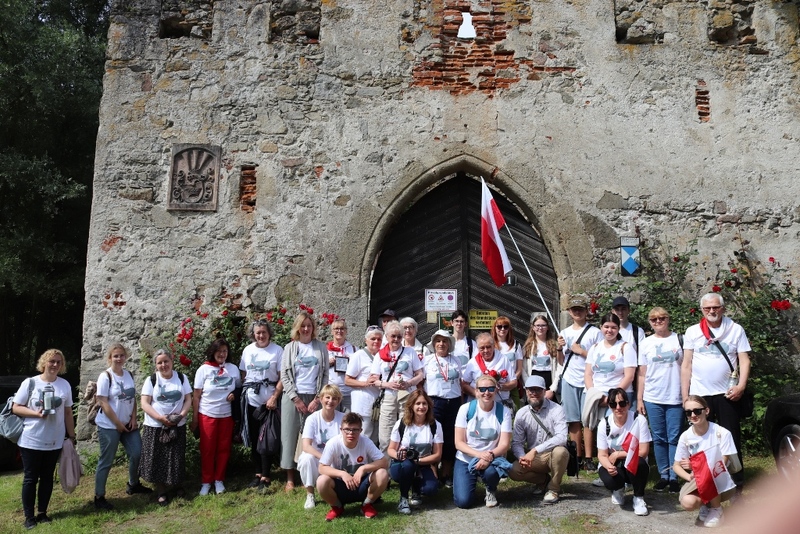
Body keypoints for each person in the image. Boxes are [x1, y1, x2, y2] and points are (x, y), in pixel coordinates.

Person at [681, 292, 750, 490]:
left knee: (731, 436)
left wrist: (741, 387)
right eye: (707, 308)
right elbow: (686, 364)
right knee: (701, 438)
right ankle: (703, 479)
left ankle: (736, 482)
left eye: (716, 307)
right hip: (700, 394)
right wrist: (686, 396)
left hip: (727, 393)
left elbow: (744, 360)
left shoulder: (735, 329)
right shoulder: (693, 331)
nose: (712, 311)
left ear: (723, 308)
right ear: (702, 310)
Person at [12, 349, 75, 530]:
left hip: (54, 440)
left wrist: (71, 436)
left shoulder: (64, 385)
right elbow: (16, 407)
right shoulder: (30, 383)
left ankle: (42, 513)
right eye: (51, 361)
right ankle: (29, 517)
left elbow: (68, 412)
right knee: (31, 478)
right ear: (44, 363)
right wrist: (35, 414)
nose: (55, 365)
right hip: (31, 439)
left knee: (47, 478)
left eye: (58, 362)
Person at [93, 344, 151, 511]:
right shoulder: (105, 376)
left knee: (137, 453)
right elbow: (102, 401)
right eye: (115, 356)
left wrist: (133, 417)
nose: (118, 359)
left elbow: (132, 398)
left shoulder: (128, 375)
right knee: (106, 460)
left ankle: (133, 484)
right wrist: (117, 424)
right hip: (109, 425)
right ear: (109, 358)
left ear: (126, 357)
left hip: (128, 424)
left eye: (121, 355)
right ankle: (99, 496)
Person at [280, 311, 330, 491]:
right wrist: (295, 398)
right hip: (293, 397)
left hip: (314, 397)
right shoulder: (290, 348)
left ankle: (309, 475)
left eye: (309, 325)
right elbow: (284, 374)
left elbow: (325, 374)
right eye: (303, 326)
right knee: (290, 435)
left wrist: (318, 399)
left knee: (312, 437)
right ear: (298, 328)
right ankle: (290, 478)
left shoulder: (320, 347)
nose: (306, 329)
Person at [637, 307, 683, 493]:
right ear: (649, 322)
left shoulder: (680, 339)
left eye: (661, 318)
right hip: (653, 396)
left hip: (675, 395)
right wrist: (640, 399)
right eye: (654, 319)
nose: (658, 322)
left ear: (668, 319)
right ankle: (664, 475)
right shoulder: (646, 343)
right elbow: (642, 373)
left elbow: (688, 367)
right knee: (658, 438)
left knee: (674, 438)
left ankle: (674, 476)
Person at [673, 395, 738, 528]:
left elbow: (722, 463)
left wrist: (697, 467)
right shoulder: (685, 436)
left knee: (708, 476)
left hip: (720, 479)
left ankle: (716, 509)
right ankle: (707, 505)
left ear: (706, 411)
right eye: (688, 412)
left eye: (697, 411)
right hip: (698, 479)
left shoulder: (722, 433)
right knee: (687, 502)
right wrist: (689, 475)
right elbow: (676, 465)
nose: (693, 415)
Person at [139, 349, 193, 506]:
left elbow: (188, 399)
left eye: (166, 361)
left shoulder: (181, 378)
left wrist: (181, 416)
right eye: (160, 362)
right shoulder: (151, 380)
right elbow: (144, 403)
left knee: (175, 456)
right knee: (157, 458)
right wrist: (160, 418)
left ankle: (177, 485)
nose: (163, 365)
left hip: (177, 425)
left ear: (172, 361)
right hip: (155, 426)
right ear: (156, 365)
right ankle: (161, 490)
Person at [453, 374, 513, 509]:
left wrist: (489, 456)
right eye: (482, 389)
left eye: (491, 389)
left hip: (491, 458)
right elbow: (459, 443)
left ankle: (490, 488)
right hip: (466, 458)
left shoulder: (504, 412)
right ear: (476, 391)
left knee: (491, 473)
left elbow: (504, 444)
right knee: (463, 502)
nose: (487, 393)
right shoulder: (466, 409)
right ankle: (474, 477)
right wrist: (480, 455)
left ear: (496, 390)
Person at [557, 294, 602, 471]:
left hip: (588, 381)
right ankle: (577, 456)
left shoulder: (595, 332)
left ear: (586, 311)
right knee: (573, 420)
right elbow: (561, 361)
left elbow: (598, 358)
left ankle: (590, 457)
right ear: (569, 312)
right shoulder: (564, 333)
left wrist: (581, 351)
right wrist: (560, 348)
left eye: (580, 309)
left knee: (588, 420)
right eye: (574, 309)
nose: (577, 312)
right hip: (569, 379)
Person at [317, 412, 389, 520]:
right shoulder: (333, 443)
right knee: (321, 481)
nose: (351, 433)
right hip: (341, 486)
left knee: (382, 474)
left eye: (355, 430)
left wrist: (363, 468)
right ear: (341, 430)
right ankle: (337, 507)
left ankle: (367, 504)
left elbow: (384, 462)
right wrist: (342, 474)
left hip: (361, 485)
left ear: (361, 430)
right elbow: (321, 468)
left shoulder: (366, 441)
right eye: (347, 429)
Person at [508, 375, 569, 504]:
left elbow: (562, 437)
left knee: (561, 452)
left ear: (544, 391)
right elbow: (517, 442)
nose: (534, 393)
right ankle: (543, 480)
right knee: (513, 470)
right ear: (526, 391)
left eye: (538, 390)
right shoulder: (521, 413)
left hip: (552, 454)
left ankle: (554, 488)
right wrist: (521, 457)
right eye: (531, 390)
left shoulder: (557, 409)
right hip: (533, 457)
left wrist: (535, 450)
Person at [239, 319, 283, 492]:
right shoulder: (248, 350)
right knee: (253, 435)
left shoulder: (277, 350)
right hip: (250, 400)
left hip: (269, 402)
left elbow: (281, 377)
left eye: (264, 332)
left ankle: (266, 474)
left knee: (265, 438)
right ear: (253, 334)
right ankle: (257, 473)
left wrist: (274, 397)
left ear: (269, 333)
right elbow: (243, 375)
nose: (261, 335)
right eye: (258, 332)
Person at [191, 338, 239, 496]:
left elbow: (239, 388)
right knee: (207, 450)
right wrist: (195, 419)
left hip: (227, 415)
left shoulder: (232, 369)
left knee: (224, 449)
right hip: (208, 415)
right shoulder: (203, 370)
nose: (222, 354)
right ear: (213, 352)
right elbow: (196, 396)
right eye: (219, 351)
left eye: (225, 351)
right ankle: (206, 482)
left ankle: (219, 480)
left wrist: (234, 394)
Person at [596, 388, 651, 516]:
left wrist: (618, 454)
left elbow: (643, 451)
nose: (618, 408)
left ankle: (638, 497)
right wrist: (609, 466)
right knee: (609, 478)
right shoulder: (604, 424)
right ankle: (618, 489)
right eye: (613, 404)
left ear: (628, 403)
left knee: (640, 463)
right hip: (614, 462)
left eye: (622, 403)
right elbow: (602, 454)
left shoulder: (639, 420)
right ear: (609, 406)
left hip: (633, 461)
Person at [371, 320, 424, 451]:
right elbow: (373, 380)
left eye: (399, 336)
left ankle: (404, 466)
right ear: (387, 336)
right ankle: (387, 467)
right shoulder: (380, 355)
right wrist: (387, 384)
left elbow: (420, 375)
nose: (396, 339)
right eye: (393, 336)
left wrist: (409, 383)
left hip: (407, 395)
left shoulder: (410, 352)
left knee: (406, 430)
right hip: (388, 395)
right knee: (385, 434)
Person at [388, 390, 443, 514]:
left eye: (424, 403)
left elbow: (437, 455)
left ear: (429, 406)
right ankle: (403, 499)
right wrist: (398, 455)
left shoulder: (435, 425)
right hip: (402, 464)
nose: (421, 407)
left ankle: (416, 488)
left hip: (423, 464)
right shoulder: (402, 423)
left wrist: (419, 461)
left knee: (431, 489)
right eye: (418, 403)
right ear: (411, 406)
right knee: (408, 465)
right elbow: (390, 449)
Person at [422, 329, 462, 487]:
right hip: (434, 402)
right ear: (433, 344)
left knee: (450, 438)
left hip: (454, 402)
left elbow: (461, 383)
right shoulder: (427, 360)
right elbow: (421, 382)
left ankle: (446, 474)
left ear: (449, 344)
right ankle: (433, 473)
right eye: (438, 341)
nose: (441, 344)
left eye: (445, 341)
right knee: (433, 437)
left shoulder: (456, 360)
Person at [298, 385, 344, 509]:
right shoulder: (312, 419)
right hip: (317, 456)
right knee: (306, 458)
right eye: (327, 397)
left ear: (339, 400)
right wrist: (324, 458)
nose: (330, 401)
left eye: (335, 398)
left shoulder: (343, 418)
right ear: (321, 398)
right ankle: (310, 494)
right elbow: (306, 446)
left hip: (336, 457)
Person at [584, 313, 637, 399]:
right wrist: (592, 394)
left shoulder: (626, 347)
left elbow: (629, 376)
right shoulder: (594, 348)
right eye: (606, 327)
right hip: (595, 395)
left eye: (613, 327)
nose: (609, 330)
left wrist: (612, 397)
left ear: (618, 329)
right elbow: (588, 374)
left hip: (618, 396)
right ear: (601, 327)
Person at [345, 326, 383, 444]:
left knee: (376, 438)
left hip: (378, 404)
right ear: (366, 340)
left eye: (379, 339)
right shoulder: (359, 355)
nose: (376, 342)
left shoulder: (383, 356)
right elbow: (347, 380)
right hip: (363, 403)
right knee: (363, 435)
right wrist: (365, 383)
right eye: (373, 339)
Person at [461, 332, 517, 409]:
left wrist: (501, 387)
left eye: (488, 347)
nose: (486, 350)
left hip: (499, 403)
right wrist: (476, 393)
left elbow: (514, 382)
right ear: (478, 349)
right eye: (482, 348)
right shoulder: (472, 362)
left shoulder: (503, 359)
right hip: (478, 404)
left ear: (494, 346)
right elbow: (464, 384)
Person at [521, 313, 560, 399]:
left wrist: (553, 389)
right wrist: (528, 383)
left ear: (547, 327)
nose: (540, 328)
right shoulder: (528, 346)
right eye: (537, 325)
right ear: (533, 327)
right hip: (533, 378)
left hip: (549, 379)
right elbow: (522, 368)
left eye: (543, 325)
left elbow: (559, 367)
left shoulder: (554, 345)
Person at [492, 316, 523, 408]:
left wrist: (512, 381)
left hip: (512, 384)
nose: (502, 329)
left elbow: (519, 368)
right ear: (495, 328)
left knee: (514, 411)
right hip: (495, 384)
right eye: (499, 326)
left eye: (505, 326)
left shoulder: (516, 344)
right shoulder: (490, 345)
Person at [326, 319, 355, 412]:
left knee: (347, 420)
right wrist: (328, 363)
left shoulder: (354, 349)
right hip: (331, 393)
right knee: (331, 420)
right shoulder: (325, 350)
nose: (339, 331)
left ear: (346, 331)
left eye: (342, 328)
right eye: (336, 328)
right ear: (332, 332)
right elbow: (319, 369)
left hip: (348, 392)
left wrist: (351, 364)